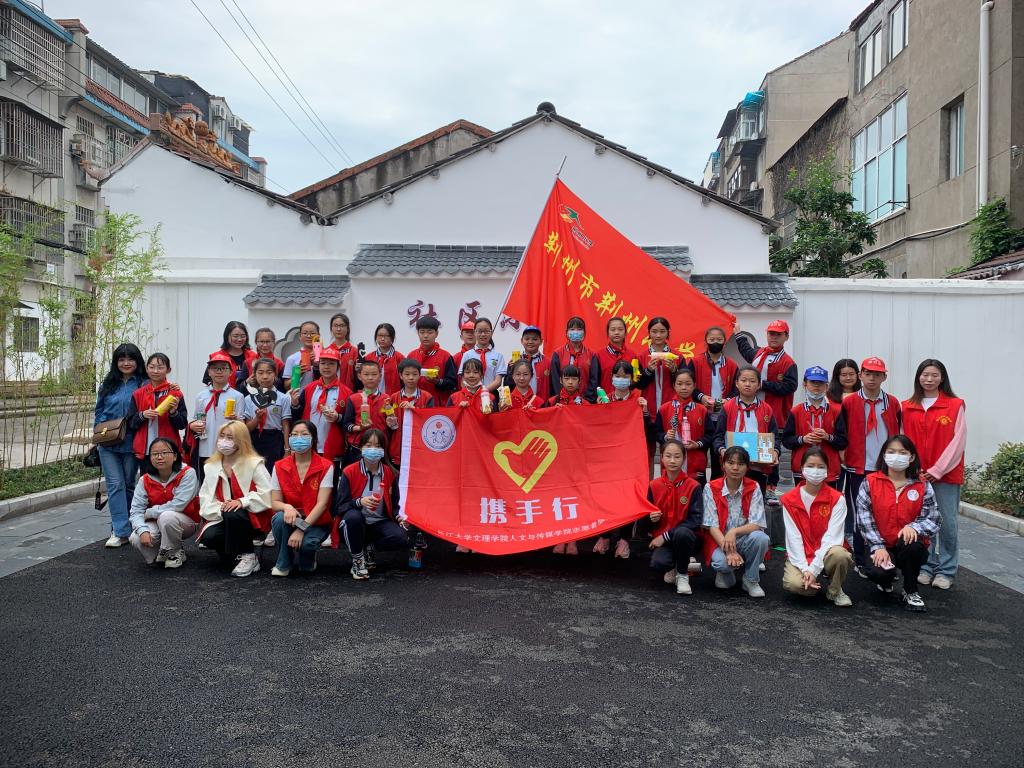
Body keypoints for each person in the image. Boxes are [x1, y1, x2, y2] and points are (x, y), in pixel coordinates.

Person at [855, 435, 940, 612]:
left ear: (911, 457)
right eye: (891, 452)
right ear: (884, 455)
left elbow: (934, 518)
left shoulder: (922, 485)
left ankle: (910, 590)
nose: (896, 456)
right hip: (881, 544)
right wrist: (878, 546)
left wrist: (914, 527)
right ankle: (885, 580)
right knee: (878, 572)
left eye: (902, 452)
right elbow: (864, 519)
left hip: (907, 544)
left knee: (914, 547)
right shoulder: (870, 482)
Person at [901, 359, 965, 591]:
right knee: (923, 522)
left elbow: (958, 443)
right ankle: (926, 566)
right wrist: (913, 468)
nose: (929, 379)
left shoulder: (955, 405)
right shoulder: (907, 406)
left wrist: (937, 470)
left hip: (946, 476)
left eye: (934, 375)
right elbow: (902, 440)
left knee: (947, 523)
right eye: (925, 374)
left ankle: (946, 570)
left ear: (942, 378)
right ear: (918, 377)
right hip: (916, 475)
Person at [840, 356, 901, 577]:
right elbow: (841, 433)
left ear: (884, 377)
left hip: (886, 468)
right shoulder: (849, 402)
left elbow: (898, 432)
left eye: (877, 374)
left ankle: (886, 558)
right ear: (860, 375)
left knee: (885, 513)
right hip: (858, 467)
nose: (872, 378)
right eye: (868, 373)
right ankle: (860, 559)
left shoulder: (892, 403)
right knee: (860, 514)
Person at [196, 421, 273, 577]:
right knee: (209, 537)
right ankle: (234, 556)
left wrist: (242, 502)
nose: (224, 441)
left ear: (241, 440)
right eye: (222, 436)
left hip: (251, 516)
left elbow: (267, 494)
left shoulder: (254, 464)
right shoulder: (210, 466)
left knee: (233, 513)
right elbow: (205, 498)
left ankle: (249, 555)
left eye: (230, 437)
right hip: (222, 515)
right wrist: (222, 508)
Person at [779, 447, 853, 606]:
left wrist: (813, 570)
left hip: (828, 551)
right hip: (802, 553)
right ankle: (811, 583)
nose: (815, 471)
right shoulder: (789, 499)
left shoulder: (837, 499)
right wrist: (805, 569)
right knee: (795, 585)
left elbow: (832, 538)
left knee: (841, 555)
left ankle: (835, 590)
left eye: (821, 467)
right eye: (810, 466)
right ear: (802, 469)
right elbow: (793, 538)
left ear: (827, 470)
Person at [733, 320, 798, 497]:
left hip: (774, 414)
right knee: (749, 449)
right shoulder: (759, 353)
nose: (774, 337)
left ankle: (770, 487)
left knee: (770, 451)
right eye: (771, 333)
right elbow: (746, 350)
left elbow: (790, 386)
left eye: (778, 334)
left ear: (786, 337)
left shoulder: (788, 362)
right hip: (751, 410)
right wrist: (738, 334)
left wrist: (763, 384)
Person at [335, 428, 407, 580]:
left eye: (378, 446)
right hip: (356, 523)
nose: (373, 449)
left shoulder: (389, 473)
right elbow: (340, 506)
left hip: (379, 522)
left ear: (383, 450)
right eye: (368, 445)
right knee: (353, 517)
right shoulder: (349, 471)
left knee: (400, 537)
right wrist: (359, 502)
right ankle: (358, 560)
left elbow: (394, 504)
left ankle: (369, 549)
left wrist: (398, 517)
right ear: (361, 448)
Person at [592, 359, 647, 558]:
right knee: (605, 495)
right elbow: (594, 428)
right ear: (612, 378)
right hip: (607, 457)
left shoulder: (638, 398)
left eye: (625, 376)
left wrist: (644, 412)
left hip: (629, 457)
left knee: (627, 496)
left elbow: (647, 428)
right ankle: (605, 536)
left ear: (632, 379)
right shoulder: (604, 398)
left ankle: (624, 539)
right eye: (617, 376)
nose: (621, 379)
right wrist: (597, 411)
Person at [94, 343, 147, 548]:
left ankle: (131, 524)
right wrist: (97, 434)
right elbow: (99, 410)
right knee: (115, 485)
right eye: (121, 359)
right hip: (107, 442)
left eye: (130, 359)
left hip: (132, 441)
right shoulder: (108, 383)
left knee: (129, 484)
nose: (126, 363)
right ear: (116, 362)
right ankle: (119, 530)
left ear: (137, 361)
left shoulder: (143, 383)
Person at [702, 446, 771, 597]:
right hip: (719, 539)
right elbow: (711, 525)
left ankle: (751, 579)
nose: (735, 468)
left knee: (761, 538)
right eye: (730, 463)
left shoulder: (754, 486)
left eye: (740, 464)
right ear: (723, 465)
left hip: (744, 538)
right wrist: (729, 550)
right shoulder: (710, 487)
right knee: (722, 567)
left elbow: (757, 523)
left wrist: (734, 532)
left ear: (747, 467)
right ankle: (726, 572)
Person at [268, 420, 334, 576]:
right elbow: (274, 502)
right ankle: (284, 563)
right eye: (294, 434)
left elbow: (322, 504)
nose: (299, 438)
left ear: (314, 439)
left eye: (304, 434)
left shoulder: (326, 466)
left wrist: (301, 529)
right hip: (291, 518)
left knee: (307, 555)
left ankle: (308, 556)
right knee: (279, 518)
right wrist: (287, 507)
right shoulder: (279, 466)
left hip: (316, 521)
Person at [127, 438, 199, 569]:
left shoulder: (187, 473)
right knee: (136, 537)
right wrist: (142, 530)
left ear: (175, 456)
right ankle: (163, 551)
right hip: (157, 522)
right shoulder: (144, 480)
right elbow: (136, 511)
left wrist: (150, 512)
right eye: (155, 454)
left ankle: (174, 552)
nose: (159, 457)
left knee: (167, 516)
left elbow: (178, 505)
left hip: (186, 521)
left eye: (164, 453)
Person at [643, 440, 703, 595]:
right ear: (662, 458)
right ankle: (681, 564)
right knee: (658, 563)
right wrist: (651, 519)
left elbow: (695, 520)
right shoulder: (654, 485)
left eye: (677, 456)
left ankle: (682, 575)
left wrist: (665, 536)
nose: (672, 460)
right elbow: (645, 522)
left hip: (688, 538)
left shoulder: (694, 486)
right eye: (668, 456)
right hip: (664, 540)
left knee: (682, 534)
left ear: (684, 458)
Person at [711, 365, 779, 497]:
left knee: (755, 501)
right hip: (733, 467)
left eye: (752, 381)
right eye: (743, 380)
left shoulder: (767, 409)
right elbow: (718, 436)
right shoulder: (728, 407)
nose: (747, 384)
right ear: (737, 383)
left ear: (759, 385)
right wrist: (722, 450)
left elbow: (774, 437)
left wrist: (775, 452)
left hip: (758, 467)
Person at [781, 366, 848, 487]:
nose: (816, 385)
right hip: (802, 468)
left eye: (820, 382)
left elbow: (843, 442)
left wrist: (828, 437)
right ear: (804, 384)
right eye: (812, 382)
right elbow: (786, 441)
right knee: (803, 498)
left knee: (829, 499)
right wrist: (803, 439)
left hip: (829, 469)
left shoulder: (836, 411)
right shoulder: (795, 411)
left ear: (826, 386)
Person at [187, 351, 246, 483]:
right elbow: (197, 419)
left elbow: (242, 426)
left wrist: (236, 419)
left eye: (223, 368)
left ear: (231, 372)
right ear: (209, 372)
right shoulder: (201, 396)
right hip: (205, 448)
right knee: (206, 484)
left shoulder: (237, 396)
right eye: (215, 368)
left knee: (226, 485)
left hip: (228, 449)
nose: (219, 372)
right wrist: (193, 425)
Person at [290, 346, 351, 466]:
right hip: (307, 445)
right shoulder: (308, 389)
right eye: (323, 363)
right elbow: (297, 417)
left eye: (331, 364)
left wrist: (337, 417)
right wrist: (295, 404)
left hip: (333, 447)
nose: (326, 367)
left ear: (338, 366)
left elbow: (348, 422)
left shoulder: (347, 393)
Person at [692, 325, 738, 479]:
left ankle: (717, 485)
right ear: (705, 341)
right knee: (698, 455)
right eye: (712, 339)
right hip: (700, 415)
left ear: (724, 342)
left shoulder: (732, 365)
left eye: (719, 339)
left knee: (719, 454)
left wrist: (727, 401)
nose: (715, 342)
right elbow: (688, 385)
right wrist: (701, 397)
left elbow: (736, 389)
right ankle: (700, 486)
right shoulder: (695, 361)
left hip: (722, 416)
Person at [127, 352, 187, 461]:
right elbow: (130, 423)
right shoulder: (138, 394)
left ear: (168, 370)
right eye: (152, 367)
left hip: (168, 449)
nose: (155, 371)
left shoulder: (175, 394)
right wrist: (142, 415)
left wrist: (173, 413)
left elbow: (182, 424)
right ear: (146, 369)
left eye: (160, 367)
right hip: (145, 450)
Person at [654, 367, 709, 483]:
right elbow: (656, 433)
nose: (684, 387)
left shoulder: (702, 410)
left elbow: (710, 435)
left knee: (695, 492)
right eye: (679, 384)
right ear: (674, 385)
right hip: (671, 464)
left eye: (688, 384)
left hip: (695, 465)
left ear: (694, 386)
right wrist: (665, 436)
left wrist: (697, 444)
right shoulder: (664, 409)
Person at [243, 358, 292, 471]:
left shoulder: (283, 398)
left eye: (269, 372)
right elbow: (247, 428)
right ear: (254, 375)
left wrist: (287, 449)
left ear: (275, 375)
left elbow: (285, 425)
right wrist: (257, 418)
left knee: (273, 472)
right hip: (254, 439)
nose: (265, 377)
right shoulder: (249, 399)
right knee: (255, 473)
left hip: (275, 439)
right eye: (260, 373)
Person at [342, 358, 392, 465]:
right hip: (357, 448)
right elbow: (346, 424)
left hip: (379, 448)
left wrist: (391, 423)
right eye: (366, 374)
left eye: (374, 374)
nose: (370, 378)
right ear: (359, 376)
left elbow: (392, 424)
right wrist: (359, 428)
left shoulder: (387, 399)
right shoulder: (353, 398)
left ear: (380, 376)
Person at [387, 358, 435, 466]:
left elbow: (430, 423)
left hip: (420, 447)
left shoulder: (427, 397)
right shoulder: (393, 398)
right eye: (407, 374)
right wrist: (389, 422)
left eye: (414, 374)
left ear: (420, 375)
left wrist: (414, 410)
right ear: (401, 375)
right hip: (397, 448)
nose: (411, 378)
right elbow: (389, 424)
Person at [636, 316, 682, 420]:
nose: (658, 335)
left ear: (668, 332)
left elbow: (684, 383)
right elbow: (638, 385)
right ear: (649, 332)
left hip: (672, 408)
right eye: (654, 331)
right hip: (647, 409)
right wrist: (648, 371)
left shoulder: (677, 357)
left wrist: (674, 371)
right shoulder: (641, 357)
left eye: (662, 331)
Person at [405, 316, 457, 405]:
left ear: (436, 334)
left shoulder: (446, 356)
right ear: (418, 333)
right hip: (415, 405)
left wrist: (437, 381)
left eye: (430, 332)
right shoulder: (411, 356)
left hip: (438, 406)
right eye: (422, 332)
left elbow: (453, 384)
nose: (425, 336)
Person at [549, 316, 598, 402]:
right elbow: (555, 380)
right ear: (567, 332)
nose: (575, 332)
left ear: (584, 333)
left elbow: (594, 380)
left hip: (585, 402)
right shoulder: (558, 353)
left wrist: (585, 401)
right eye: (572, 329)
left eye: (579, 329)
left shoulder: (592, 354)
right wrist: (561, 399)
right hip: (562, 402)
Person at [501, 325, 552, 402]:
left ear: (541, 341)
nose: (530, 342)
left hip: (542, 406)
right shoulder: (514, 361)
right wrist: (505, 403)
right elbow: (506, 386)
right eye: (527, 339)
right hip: (519, 405)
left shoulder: (548, 362)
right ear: (522, 340)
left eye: (534, 339)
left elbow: (553, 387)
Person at [592, 316, 640, 398]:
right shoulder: (599, 355)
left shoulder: (632, 355)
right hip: (606, 402)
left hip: (627, 401)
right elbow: (594, 383)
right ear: (607, 333)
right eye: (613, 329)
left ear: (625, 332)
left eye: (620, 329)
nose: (616, 332)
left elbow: (635, 381)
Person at [457, 317, 507, 393]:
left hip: (492, 395)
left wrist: (483, 392)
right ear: (475, 332)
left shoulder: (498, 356)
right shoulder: (467, 355)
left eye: (486, 331)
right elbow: (463, 380)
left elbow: (498, 381)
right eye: (480, 331)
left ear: (491, 333)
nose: (483, 334)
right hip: (471, 395)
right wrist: (473, 393)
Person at [206, 321, 258, 389]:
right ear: (227, 336)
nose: (239, 339)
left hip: (247, 395)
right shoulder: (216, 357)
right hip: (225, 394)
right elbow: (207, 380)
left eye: (243, 336)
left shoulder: (253, 356)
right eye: (235, 336)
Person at [364, 323, 404, 395]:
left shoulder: (399, 358)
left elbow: (404, 382)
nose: (382, 339)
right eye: (380, 335)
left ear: (392, 338)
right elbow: (363, 383)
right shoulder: (369, 357)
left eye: (386, 336)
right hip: (372, 397)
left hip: (392, 399)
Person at [326, 312, 360, 389]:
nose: (338, 329)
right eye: (335, 326)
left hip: (349, 392)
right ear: (331, 328)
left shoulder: (354, 352)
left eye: (342, 325)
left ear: (348, 328)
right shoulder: (326, 351)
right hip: (329, 392)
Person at [283, 320, 321, 390]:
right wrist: (298, 374)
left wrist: (319, 363)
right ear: (300, 337)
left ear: (318, 336)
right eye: (305, 333)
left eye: (312, 333)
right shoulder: (292, 358)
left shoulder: (326, 356)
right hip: (299, 396)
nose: (309, 336)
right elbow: (287, 387)